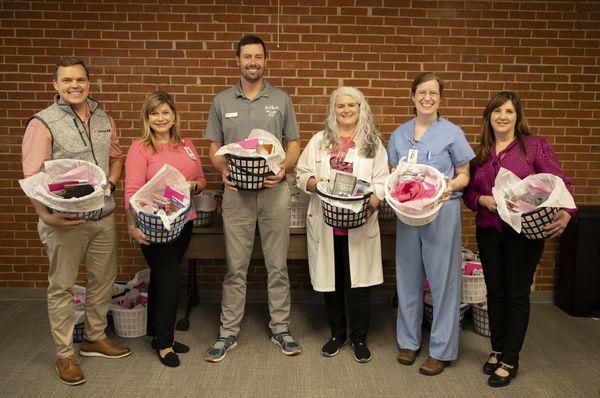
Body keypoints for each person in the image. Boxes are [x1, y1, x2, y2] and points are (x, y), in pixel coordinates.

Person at [22, 57, 131, 386]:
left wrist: (111, 183)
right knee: (62, 287)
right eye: (67, 80)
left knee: (103, 280)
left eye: (80, 80)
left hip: (102, 216)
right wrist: (44, 214)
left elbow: (116, 156)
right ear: (55, 85)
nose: (75, 85)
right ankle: (65, 355)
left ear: (89, 83)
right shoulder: (43, 123)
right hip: (64, 221)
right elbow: (32, 175)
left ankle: (95, 337)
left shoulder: (103, 117)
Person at [463, 91, 576, 387]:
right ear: (489, 116)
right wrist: (482, 200)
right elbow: (469, 194)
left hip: (525, 233)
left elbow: (559, 182)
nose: (502, 116)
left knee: (516, 293)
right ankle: (497, 349)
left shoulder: (534, 147)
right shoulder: (481, 153)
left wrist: (567, 212)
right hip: (489, 230)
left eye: (509, 111)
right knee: (495, 293)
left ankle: (510, 358)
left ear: (517, 116)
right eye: (497, 111)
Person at [203, 34, 301, 362]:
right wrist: (222, 171)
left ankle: (281, 328)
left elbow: (293, 145)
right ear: (238, 61)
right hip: (236, 196)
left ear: (265, 60)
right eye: (247, 57)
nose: (253, 62)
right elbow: (214, 147)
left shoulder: (281, 99)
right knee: (235, 267)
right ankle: (228, 332)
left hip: (274, 193)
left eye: (258, 57)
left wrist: (284, 168)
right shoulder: (222, 101)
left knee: (277, 266)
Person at [387, 72, 475, 376]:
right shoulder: (399, 134)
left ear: (440, 98)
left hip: (442, 211)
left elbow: (465, 174)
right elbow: (393, 173)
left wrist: (445, 187)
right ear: (412, 97)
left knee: (443, 281)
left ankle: (441, 349)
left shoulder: (452, 132)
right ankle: (409, 342)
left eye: (433, 93)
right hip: (409, 214)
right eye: (422, 92)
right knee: (408, 278)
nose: (427, 98)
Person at [296, 87, 388, 363]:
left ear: (361, 109)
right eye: (340, 106)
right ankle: (337, 334)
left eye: (352, 105)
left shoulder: (372, 143)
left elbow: (383, 180)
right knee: (332, 281)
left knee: (358, 284)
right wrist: (317, 184)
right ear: (332, 110)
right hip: (327, 222)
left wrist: (372, 201)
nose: (346, 110)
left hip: (359, 222)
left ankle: (359, 337)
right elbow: (302, 174)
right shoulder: (319, 141)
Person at [125, 91, 206, 367]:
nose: (160, 118)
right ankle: (164, 344)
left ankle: (159, 335)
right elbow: (132, 191)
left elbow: (201, 178)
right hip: (154, 226)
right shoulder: (140, 148)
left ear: (174, 116)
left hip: (183, 222)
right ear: (147, 118)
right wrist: (132, 225)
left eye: (165, 112)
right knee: (171, 281)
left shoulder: (186, 144)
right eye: (154, 113)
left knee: (161, 279)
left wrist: (195, 186)